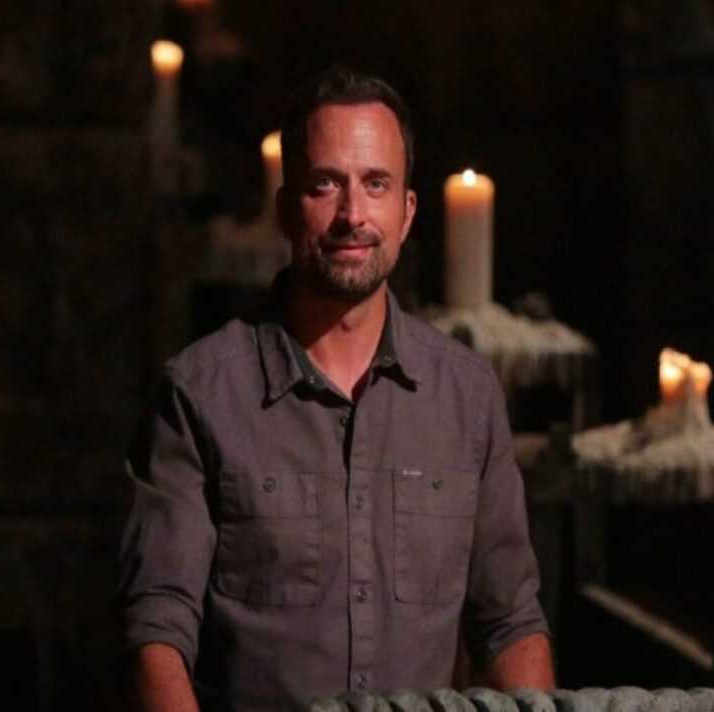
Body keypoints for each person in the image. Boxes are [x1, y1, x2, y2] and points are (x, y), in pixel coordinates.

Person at [117, 65, 555, 712]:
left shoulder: (466, 397)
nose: (353, 215)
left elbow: (510, 622)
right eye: (326, 184)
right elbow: (156, 628)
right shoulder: (200, 395)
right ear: (285, 210)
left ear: (407, 213)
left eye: (376, 185)